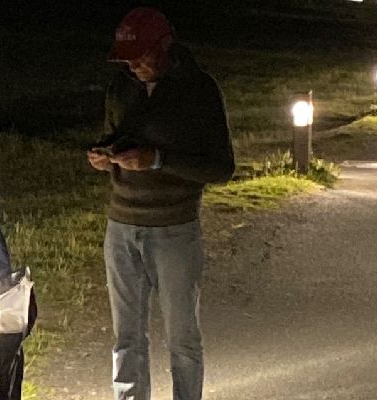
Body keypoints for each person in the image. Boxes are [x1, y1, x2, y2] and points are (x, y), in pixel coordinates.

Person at [86, 7, 235, 400]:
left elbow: (221, 168)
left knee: (183, 338)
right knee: (127, 338)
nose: (134, 65)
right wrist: (105, 155)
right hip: (121, 226)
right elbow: (114, 136)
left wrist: (156, 159)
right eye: (126, 58)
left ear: (166, 45)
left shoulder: (199, 90)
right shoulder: (121, 88)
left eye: (142, 55)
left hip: (174, 229)